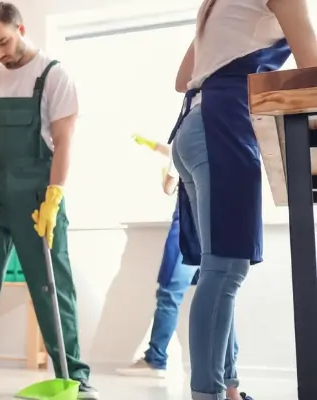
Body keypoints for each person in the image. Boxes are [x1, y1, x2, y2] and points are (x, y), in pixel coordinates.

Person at [168, 0, 317, 399]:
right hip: (222, 125)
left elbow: (184, 79)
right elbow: (312, 69)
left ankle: (229, 389)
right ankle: (209, 394)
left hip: (192, 128)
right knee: (226, 269)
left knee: (219, 267)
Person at [0, 2, 98, 399]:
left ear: (20, 28)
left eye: (2, 42)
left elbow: (64, 141)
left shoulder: (54, 75)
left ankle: (75, 373)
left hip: (39, 199)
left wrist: (54, 197)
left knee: (53, 289)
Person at [117, 139, 246, 400]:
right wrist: (156, 147)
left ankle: (156, 358)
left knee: (170, 293)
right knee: (221, 295)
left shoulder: (189, 138)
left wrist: (164, 170)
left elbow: (169, 185)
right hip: (213, 222)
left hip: (187, 224)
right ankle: (230, 383)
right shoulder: (215, 137)